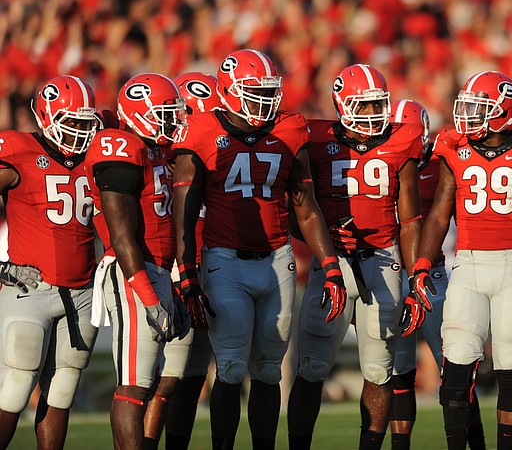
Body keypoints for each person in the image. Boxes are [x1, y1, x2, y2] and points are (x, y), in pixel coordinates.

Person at [171, 49, 345, 450]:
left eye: (268, 91)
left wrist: (330, 265)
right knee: (230, 367)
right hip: (224, 262)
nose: (263, 101)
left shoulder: (289, 130)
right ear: (229, 92)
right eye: (253, 92)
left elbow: (305, 204)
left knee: (268, 369)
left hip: (278, 260)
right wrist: (187, 272)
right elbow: (184, 214)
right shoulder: (200, 131)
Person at [411, 70, 512, 450]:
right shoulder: (454, 147)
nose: (467, 114)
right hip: (467, 263)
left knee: (511, 365)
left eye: (478, 107)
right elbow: (438, 213)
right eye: (467, 104)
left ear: (504, 112)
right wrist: (421, 263)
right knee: (456, 367)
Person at [287, 64, 423, 450]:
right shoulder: (312, 138)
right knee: (311, 367)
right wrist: (323, 244)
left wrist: (416, 277)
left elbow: (410, 219)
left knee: (380, 370)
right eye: (363, 106)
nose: (373, 114)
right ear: (342, 105)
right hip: (333, 264)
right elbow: (296, 211)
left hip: (383, 259)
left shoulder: (402, 140)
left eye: (378, 105)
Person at [85, 72, 188, 450]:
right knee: (133, 384)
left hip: (158, 268)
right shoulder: (120, 147)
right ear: (139, 113)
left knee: (150, 381)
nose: (171, 121)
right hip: (132, 270)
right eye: (164, 113)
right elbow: (120, 234)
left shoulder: (154, 150)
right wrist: (147, 294)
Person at [0, 75, 99, 449]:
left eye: (85, 123)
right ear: (46, 116)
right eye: (71, 122)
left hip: (83, 291)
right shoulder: (18, 149)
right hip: (31, 287)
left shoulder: (94, 156)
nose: (79, 132)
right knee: (14, 386)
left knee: (63, 388)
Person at [387, 99, 486, 450]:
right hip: (390, 274)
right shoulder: (378, 162)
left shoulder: (442, 164)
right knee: (398, 374)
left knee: (455, 371)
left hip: (433, 276)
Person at [142, 71, 220, 450]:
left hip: (212, 264)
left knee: (192, 376)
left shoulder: (217, 147)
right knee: (168, 376)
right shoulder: (162, 155)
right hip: (176, 264)